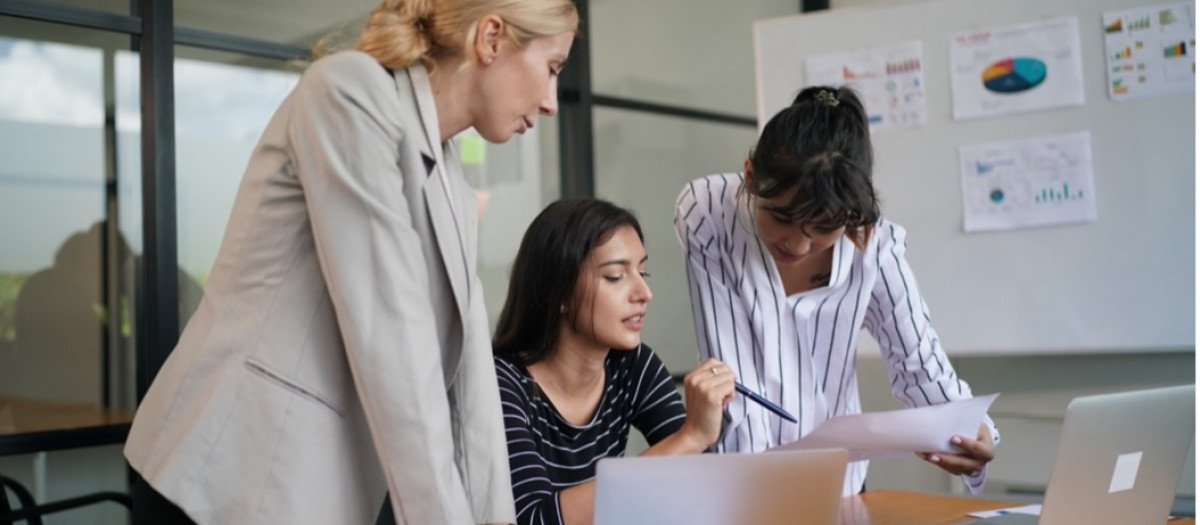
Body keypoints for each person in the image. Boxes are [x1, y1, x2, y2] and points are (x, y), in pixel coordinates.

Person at [123, 0, 578, 523]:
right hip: (224, 482)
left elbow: (468, 385)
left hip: (314, 491)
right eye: (552, 68)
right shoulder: (347, 91)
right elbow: (390, 336)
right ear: (492, 38)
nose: (551, 103)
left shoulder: (451, 176)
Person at [673, 85, 998, 496]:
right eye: (781, 217)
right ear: (750, 174)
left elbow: (920, 365)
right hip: (741, 490)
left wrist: (972, 432)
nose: (798, 244)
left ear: (855, 214)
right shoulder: (708, 211)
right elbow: (733, 376)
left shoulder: (875, 247)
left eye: (825, 227)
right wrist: (753, 501)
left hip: (837, 488)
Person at [493, 199, 735, 525]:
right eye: (616, 276)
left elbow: (697, 487)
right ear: (558, 292)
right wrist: (690, 437)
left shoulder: (631, 366)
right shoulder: (500, 382)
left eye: (643, 272)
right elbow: (533, 518)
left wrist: (700, 435)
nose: (644, 292)